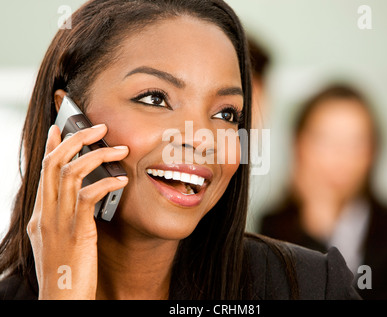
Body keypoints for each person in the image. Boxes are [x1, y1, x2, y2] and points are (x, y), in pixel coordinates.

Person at [0, 0, 359, 300]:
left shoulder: (313, 288)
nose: (202, 139)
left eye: (226, 114)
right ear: (68, 118)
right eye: (155, 98)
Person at [260, 84, 387, 299]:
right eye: (325, 140)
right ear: (299, 145)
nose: (340, 157)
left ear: (372, 152)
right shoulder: (273, 228)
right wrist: (314, 229)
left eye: (356, 142)